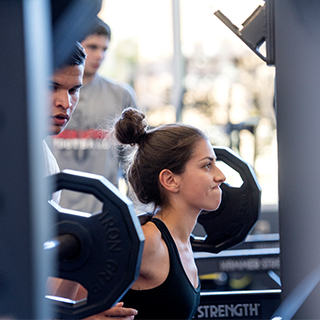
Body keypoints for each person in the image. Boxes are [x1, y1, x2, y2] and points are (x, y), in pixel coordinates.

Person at [45, 42, 137, 320]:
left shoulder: (42, 155)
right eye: (52, 88)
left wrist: (80, 311)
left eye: (74, 90)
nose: (65, 102)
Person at [112, 108, 226, 319]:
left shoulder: (180, 241)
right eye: (207, 165)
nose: (221, 176)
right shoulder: (149, 241)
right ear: (170, 180)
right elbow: (66, 293)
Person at [50, 18, 138, 213]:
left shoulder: (121, 95)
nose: (100, 55)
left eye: (104, 49)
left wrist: (135, 213)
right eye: (92, 47)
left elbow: (133, 161)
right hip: (56, 210)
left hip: (103, 213)